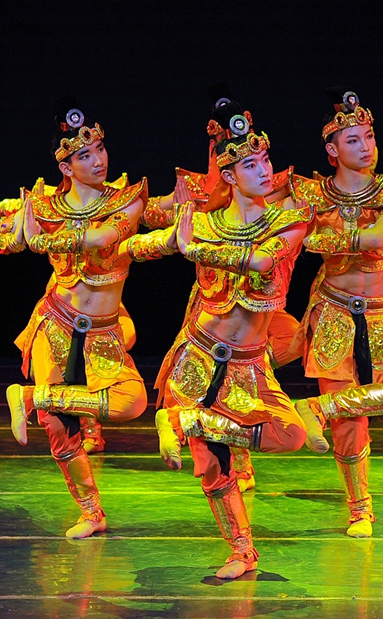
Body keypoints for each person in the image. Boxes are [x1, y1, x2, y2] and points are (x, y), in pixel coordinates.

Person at [131, 97, 308, 578]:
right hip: (199, 354)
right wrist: (169, 240)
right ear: (228, 175)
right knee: (213, 464)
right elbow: (134, 246)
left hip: (250, 362)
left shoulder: (291, 220)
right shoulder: (204, 222)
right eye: (250, 165)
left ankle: (185, 422)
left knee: (291, 435)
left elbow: (263, 261)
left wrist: (198, 249)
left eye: (265, 160)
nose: (264, 171)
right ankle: (242, 551)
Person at [0, 96, 148, 538]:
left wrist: (43, 239)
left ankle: (31, 397)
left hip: (104, 331)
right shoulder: (46, 207)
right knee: (57, 427)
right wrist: (15, 234)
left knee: (132, 402)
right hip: (57, 323)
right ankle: (91, 512)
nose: (98, 160)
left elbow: (104, 237)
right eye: (84, 155)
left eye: (100, 149)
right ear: (66, 166)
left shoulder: (127, 202)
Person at [291, 88, 383, 537]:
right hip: (334, 313)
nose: (366, 147)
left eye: (369, 136)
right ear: (332, 151)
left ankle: (317, 407)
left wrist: (319, 239)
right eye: (353, 140)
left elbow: (378, 237)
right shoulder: (310, 195)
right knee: (349, 426)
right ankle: (359, 507)